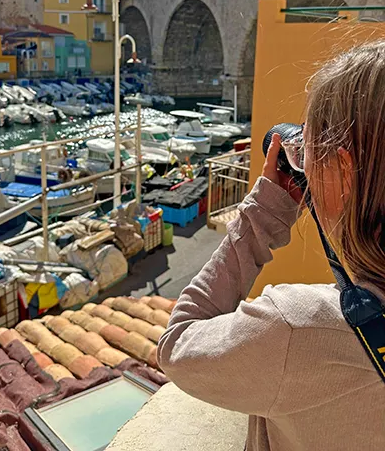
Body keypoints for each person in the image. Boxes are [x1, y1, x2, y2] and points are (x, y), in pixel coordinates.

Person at [158, 41, 385, 450]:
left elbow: (178, 345)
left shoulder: (296, 329)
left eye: (311, 148)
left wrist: (262, 215)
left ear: (345, 171)